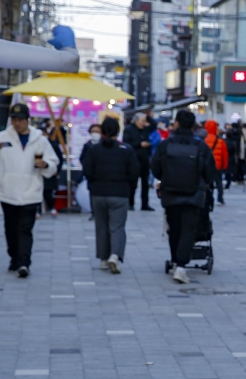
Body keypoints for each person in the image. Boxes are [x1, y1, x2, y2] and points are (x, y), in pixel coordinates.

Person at [0, 103, 59, 276]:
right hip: (8, 191)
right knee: (11, 229)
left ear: (27, 120)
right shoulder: (2, 138)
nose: (17, 123)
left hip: (31, 191)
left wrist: (45, 165)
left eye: (20, 120)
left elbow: (53, 163)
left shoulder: (40, 140)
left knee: (25, 229)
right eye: (14, 120)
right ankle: (14, 258)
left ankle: (24, 262)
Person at [151, 109, 217, 284]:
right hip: (194, 194)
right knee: (189, 230)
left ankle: (175, 261)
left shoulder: (166, 145)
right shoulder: (201, 146)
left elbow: (155, 167)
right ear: (194, 125)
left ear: (177, 123)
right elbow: (210, 172)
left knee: (174, 229)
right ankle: (181, 266)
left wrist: (165, 178)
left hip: (170, 193)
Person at [82, 117, 139, 274]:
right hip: (119, 193)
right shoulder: (126, 149)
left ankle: (103, 259)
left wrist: (94, 184)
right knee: (117, 226)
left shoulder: (94, 149)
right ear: (118, 131)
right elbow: (134, 172)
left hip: (99, 193)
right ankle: (115, 255)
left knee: (101, 226)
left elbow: (87, 170)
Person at [123, 114, 154, 211]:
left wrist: (148, 116)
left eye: (145, 121)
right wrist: (139, 144)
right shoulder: (129, 129)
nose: (143, 123)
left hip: (145, 159)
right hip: (134, 159)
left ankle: (145, 204)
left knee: (145, 183)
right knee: (133, 182)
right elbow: (126, 142)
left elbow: (154, 125)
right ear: (136, 121)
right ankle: (130, 203)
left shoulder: (145, 129)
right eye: (142, 120)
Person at [203, 119, 229, 205]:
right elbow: (224, 155)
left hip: (207, 166)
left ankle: (207, 198)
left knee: (207, 183)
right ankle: (220, 199)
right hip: (218, 165)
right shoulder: (220, 141)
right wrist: (224, 166)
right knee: (219, 182)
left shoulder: (203, 140)